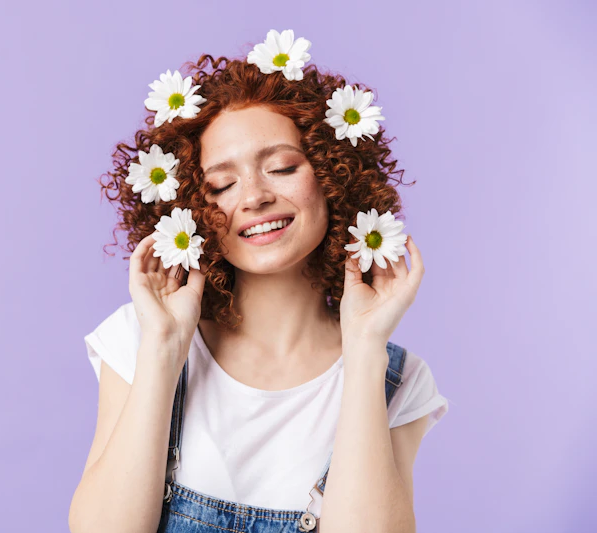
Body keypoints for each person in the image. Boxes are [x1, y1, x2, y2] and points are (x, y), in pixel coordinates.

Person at [69, 30, 449, 533]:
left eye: (281, 168)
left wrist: (364, 347)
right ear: (193, 208)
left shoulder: (395, 382)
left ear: (335, 175)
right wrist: (163, 348)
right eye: (222, 185)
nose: (253, 197)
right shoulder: (140, 338)